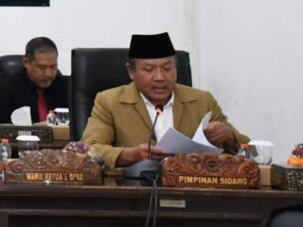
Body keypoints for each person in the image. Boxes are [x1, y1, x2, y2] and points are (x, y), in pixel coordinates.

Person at [81, 32, 248, 169]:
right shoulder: (109, 102)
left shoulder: (202, 101)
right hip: (136, 190)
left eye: (168, 68)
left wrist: (229, 137)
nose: (160, 77)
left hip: (191, 190)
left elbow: (249, 151)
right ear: (131, 71)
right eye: (149, 70)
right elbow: (89, 149)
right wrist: (130, 155)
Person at [0, 37, 70, 132]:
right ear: (26, 63)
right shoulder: (3, 90)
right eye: (42, 67)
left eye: (53, 66)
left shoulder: (67, 87)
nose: (49, 74)